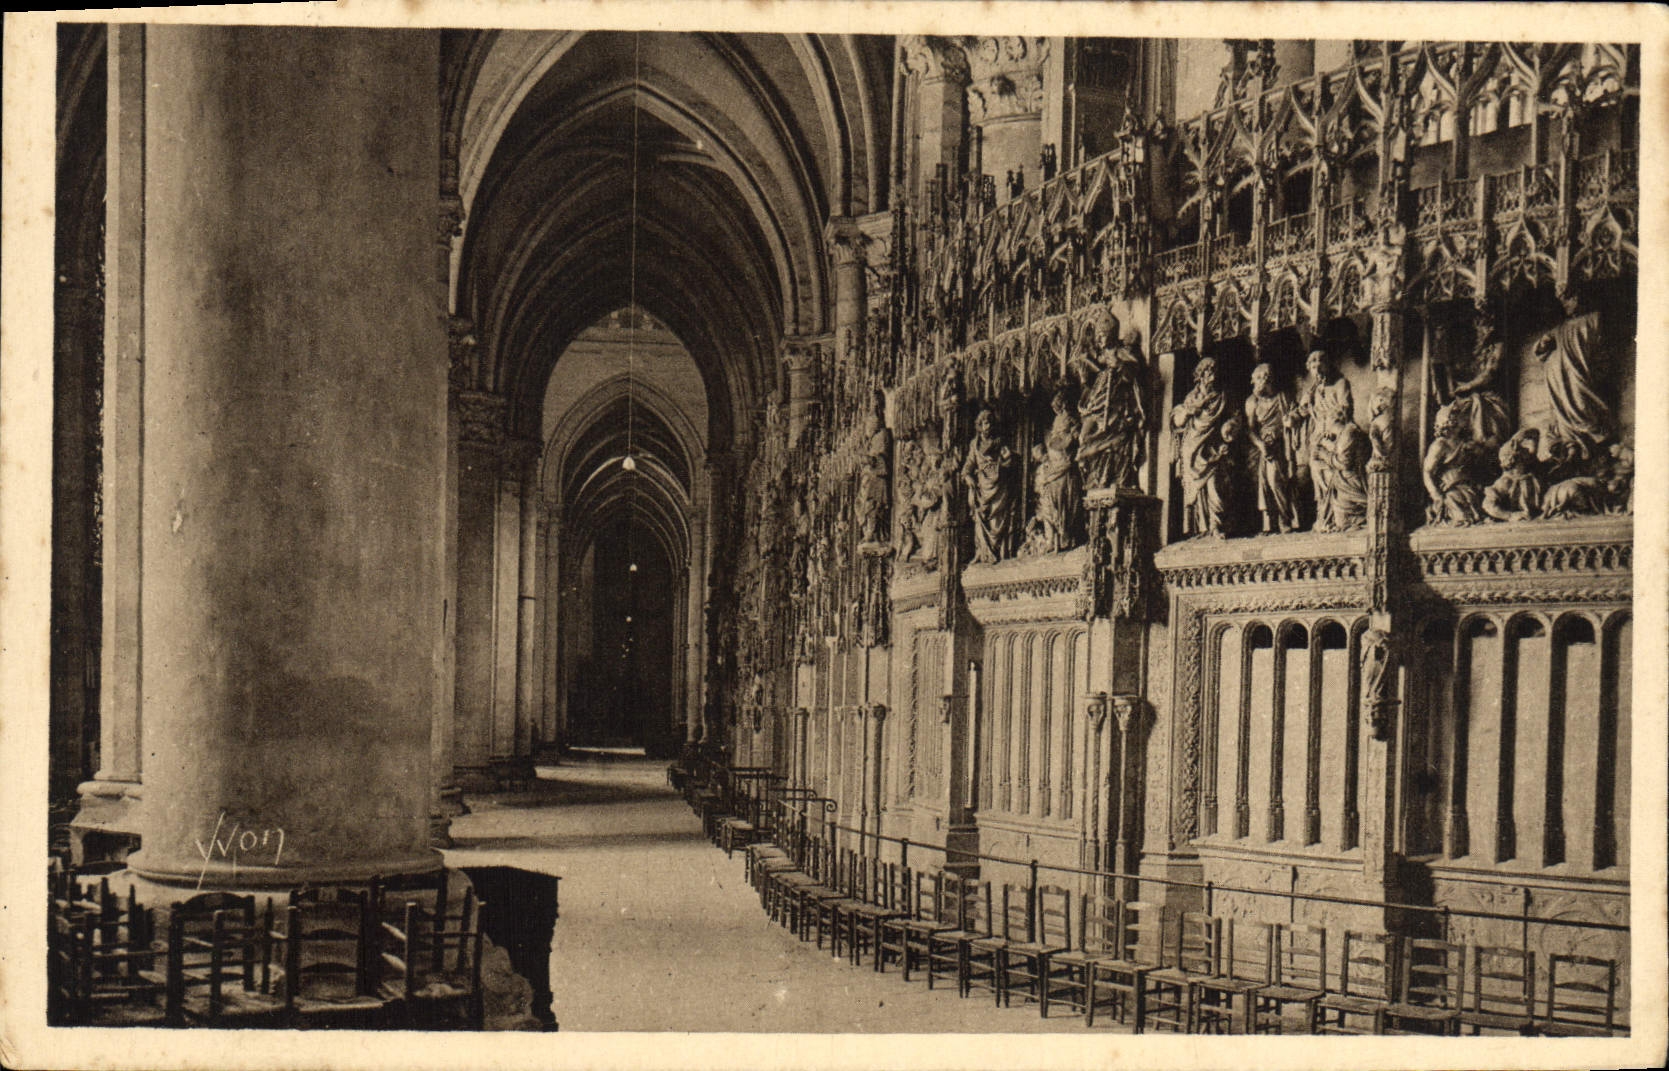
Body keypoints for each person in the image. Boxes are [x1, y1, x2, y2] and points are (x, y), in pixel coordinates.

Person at [1072, 320, 1147, 490]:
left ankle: (1103, 476)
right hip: (1096, 405)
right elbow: (1095, 381)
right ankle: (1092, 473)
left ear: (1111, 335)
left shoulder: (1121, 353)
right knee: (1084, 437)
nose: (1099, 340)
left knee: (1109, 442)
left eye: (1102, 335)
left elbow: (1133, 374)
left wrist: (1119, 365)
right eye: (1097, 336)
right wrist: (1084, 377)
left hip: (1114, 408)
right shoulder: (1102, 357)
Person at [1171, 357, 1233, 537]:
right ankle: (1202, 527)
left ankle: (1216, 525)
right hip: (1193, 446)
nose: (1211, 374)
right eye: (1207, 371)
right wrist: (1189, 410)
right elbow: (1179, 420)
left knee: (1215, 485)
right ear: (1200, 375)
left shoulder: (1222, 396)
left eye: (1214, 370)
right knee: (1196, 488)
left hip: (1213, 445)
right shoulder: (1192, 398)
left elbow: (1234, 416)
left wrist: (1229, 427)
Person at [1243, 363, 1300, 533]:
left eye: (1265, 377)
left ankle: (1285, 519)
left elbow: (1295, 415)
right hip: (1261, 446)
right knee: (1263, 483)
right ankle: (1270, 522)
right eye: (1258, 378)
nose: (1262, 381)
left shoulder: (1283, 397)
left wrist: (1289, 423)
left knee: (1276, 479)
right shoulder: (1252, 401)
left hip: (1283, 444)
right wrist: (1261, 445)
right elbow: (1250, 429)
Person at [1024, 391, 1083, 553]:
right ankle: (1054, 539)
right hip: (1054, 465)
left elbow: (1078, 437)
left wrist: (1069, 440)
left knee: (1064, 500)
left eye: (1058, 404)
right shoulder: (1057, 420)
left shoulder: (1072, 419)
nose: (1056, 407)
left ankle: (1066, 537)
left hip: (1064, 464)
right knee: (1050, 501)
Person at [961, 408, 1019, 563]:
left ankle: (997, 551)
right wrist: (967, 476)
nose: (987, 426)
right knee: (980, 516)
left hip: (998, 483)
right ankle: (982, 552)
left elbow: (1009, 461)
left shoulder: (999, 441)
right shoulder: (975, 444)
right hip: (982, 485)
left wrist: (1006, 460)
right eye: (984, 423)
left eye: (989, 423)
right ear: (979, 425)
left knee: (997, 518)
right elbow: (969, 464)